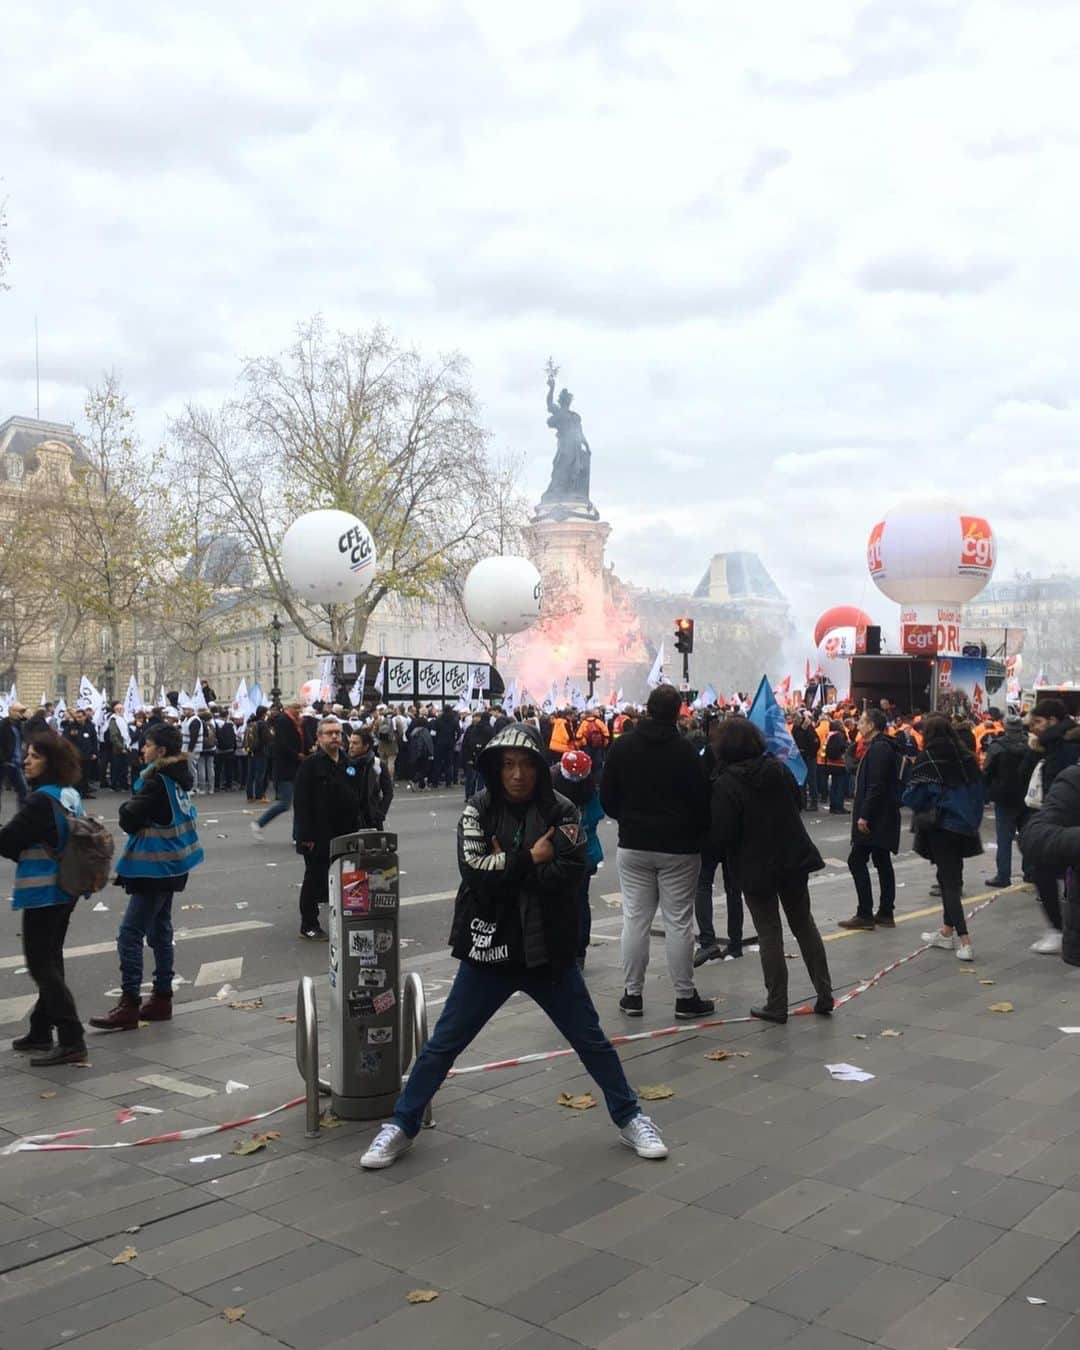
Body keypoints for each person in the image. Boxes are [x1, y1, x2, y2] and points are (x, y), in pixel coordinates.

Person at [359, 723, 667, 1169]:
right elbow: (477, 878)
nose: (517, 774)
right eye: (507, 765)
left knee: (592, 1041)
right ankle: (402, 1124)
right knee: (443, 1045)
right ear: (495, 769)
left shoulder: (563, 810)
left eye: (525, 764)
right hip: (490, 950)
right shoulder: (476, 811)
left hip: (548, 952)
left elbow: (568, 875)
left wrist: (507, 865)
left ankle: (630, 1115)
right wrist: (529, 859)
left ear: (540, 768)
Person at [600, 684, 714, 1021]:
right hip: (678, 847)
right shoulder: (685, 752)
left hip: (634, 843)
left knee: (635, 919)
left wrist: (630, 818)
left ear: (647, 709)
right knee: (679, 921)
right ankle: (684, 996)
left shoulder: (624, 747)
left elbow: (607, 796)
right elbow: (701, 802)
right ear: (678, 711)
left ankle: (632, 994)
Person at [710, 718, 833, 1024]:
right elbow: (798, 802)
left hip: (754, 865)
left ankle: (777, 1003)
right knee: (804, 924)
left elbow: (723, 832)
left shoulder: (726, 783)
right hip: (792, 857)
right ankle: (825, 993)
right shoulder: (779, 770)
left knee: (769, 932)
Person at [89, 723, 204, 1031]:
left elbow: (128, 818)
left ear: (161, 751)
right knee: (160, 929)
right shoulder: (177, 778)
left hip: (153, 868)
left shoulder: (156, 783)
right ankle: (162, 997)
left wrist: (128, 806)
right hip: (172, 866)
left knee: (130, 934)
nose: (142, 749)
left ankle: (129, 1003)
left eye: (147, 744)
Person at [0, 732, 89, 1065]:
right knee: (51, 959)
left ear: (50, 762)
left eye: (34, 756)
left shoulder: (40, 801)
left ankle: (71, 1038)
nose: (26, 760)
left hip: (44, 890)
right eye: (26, 755)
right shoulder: (68, 794)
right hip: (67, 887)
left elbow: (8, 841)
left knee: (41, 964)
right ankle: (41, 1029)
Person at [902, 714, 984, 962]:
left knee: (949, 883)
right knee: (950, 877)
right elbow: (980, 793)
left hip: (941, 828)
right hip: (965, 827)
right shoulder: (967, 759)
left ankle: (965, 941)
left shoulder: (929, 759)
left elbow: (913, 797)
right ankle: (946, 932)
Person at [292, 716, 361, 940]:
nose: (334, 737)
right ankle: (308, 924)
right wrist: (305, 836)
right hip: (319, 833)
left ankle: (348, 917)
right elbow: (301, 804)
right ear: (319, 737)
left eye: (337, 733)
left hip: (346, 831)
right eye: (329, 733)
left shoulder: (347, 762)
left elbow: (356, 795)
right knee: (315, 878)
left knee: (349, 876)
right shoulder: (310, 765)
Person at [1019, 700, 1080, 953]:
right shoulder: (1054, 748)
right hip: (1055, 821)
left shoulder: (1062, 748)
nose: (1034, 729)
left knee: (1047, 872)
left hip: (1057, 821)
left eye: (1038, 723)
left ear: (1053, 720)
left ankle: (1058, 927)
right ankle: (1059, 928)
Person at [839, 709, 903, 930]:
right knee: (882, 860)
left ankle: (865, 913)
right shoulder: (880, 747)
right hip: (883, 815)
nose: (859, 724)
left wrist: (864, 815)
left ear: (873, 725)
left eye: (863, 721)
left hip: (876, 817)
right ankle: (885, 912)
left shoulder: (879, 749)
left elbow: (876, 785)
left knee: (856, 861)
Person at [552, 748, 604, 968]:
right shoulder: (590, 792)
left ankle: (561, 948)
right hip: (586, 855)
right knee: (580, 902)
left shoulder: (554, 794)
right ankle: (578, 951)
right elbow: (597, 816)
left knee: (559, 903)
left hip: (560, 856)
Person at [982, 715, 1029, 888]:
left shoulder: (997, 747)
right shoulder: (1030, 745)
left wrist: (987, 793)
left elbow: (986, 771)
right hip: (1027, 798)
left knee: (1004, 839)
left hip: (1004, 798)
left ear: (1005, 727)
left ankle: (1003, 875)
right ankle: (1030, 872)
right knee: (1028, 835)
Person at [251, 700, 304, 838]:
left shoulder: (296, 722)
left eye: (300, 707)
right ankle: (259, 823)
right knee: (285, 803)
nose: (298, 710)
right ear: (288, 708)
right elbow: (282, 744)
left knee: (300, 804)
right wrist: (297, 754)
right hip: (285, 768)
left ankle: (297, 835)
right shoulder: (283, 721)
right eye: (295, 707)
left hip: (295, 767)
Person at [347, 728, 394, 828]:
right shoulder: (345, 763)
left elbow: (388, 792)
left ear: (366, 746)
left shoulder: (377, 764)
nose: (351, 746)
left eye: (355, 743)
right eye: (350, 742)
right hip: (349, 821)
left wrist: (380, 814)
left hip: (371, 821)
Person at [0, 701, 30, 808]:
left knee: (23, 790)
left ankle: (23, 816)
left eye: (22, 711)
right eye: (20, 711)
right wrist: (4, 760)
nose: (21, 713)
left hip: (16, 764)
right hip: (5, 763)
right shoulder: (3, 725)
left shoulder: (19, 725)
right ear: (11, 711)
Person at [824, 720, 849, 814]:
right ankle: (839, 807)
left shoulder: (829, 735)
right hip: (840, 763)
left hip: (830, 763)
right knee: (840, 786)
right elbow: (843, 747)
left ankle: (833, 806)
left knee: (834, 785)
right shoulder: (840, 735)